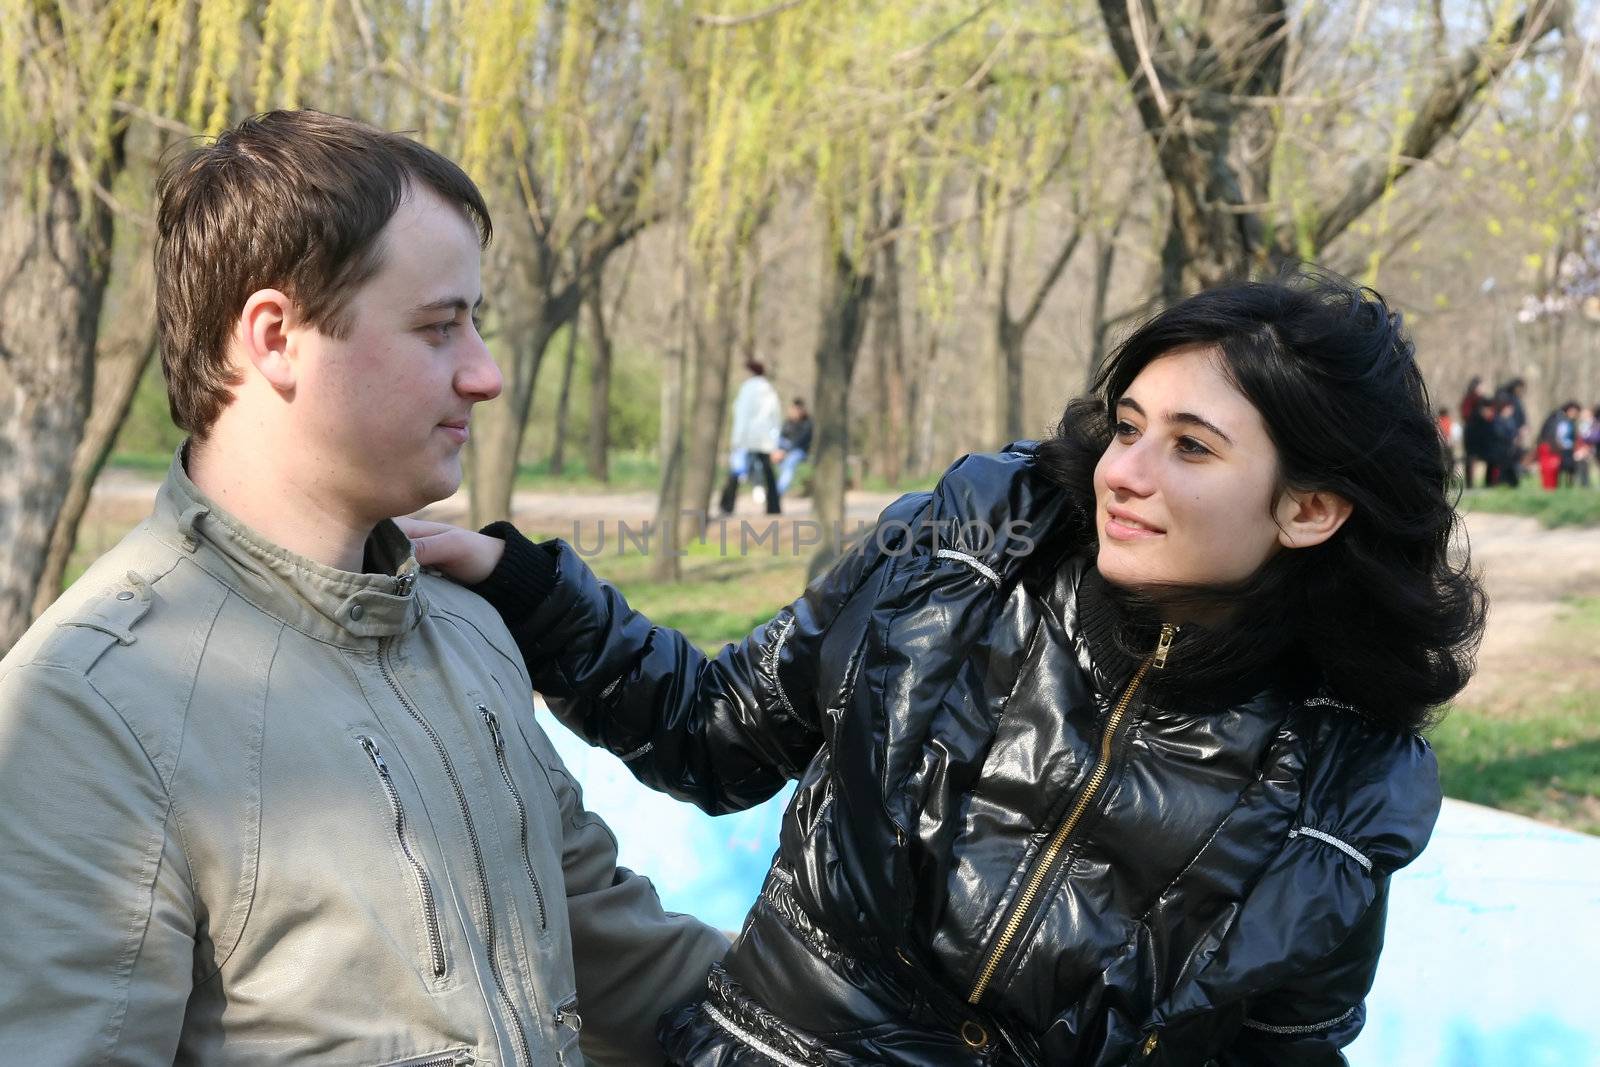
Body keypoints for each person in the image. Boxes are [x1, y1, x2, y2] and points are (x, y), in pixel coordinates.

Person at [406, 272, 1485, 1065]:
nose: (1125, 473)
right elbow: (716, 731)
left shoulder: (1344, 784)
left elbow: (1279, 1055)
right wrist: (528, 590)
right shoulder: (968, 552)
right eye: (1127, 426)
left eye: (1190, 447)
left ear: (1309, 507)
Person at [0, 110, 725, 1065]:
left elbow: (629, 968)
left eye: (477, 321)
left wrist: (916, 1022)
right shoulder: (90, 708)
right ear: (276, 336)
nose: (486, 373)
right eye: (439, 326)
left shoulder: (468, 632)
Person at [719, 360, 783, 516]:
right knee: (768, 473)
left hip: (746, 437)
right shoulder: (769, 389)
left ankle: (727, 504)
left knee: (737, 470)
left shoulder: (747, 388)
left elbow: (741, 415)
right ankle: (773, 506)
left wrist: (737, 439)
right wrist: (775, 440)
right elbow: (775, 416)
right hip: (764, 438)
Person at [774, 397, 814, 495]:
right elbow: (781, 438)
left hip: (799, 452)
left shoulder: (807, 424)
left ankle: (777, 492)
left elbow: (799, 442)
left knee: (789, 462)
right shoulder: (787, 422)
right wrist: (778, 450)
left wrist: (785, 452)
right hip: (783, 450)